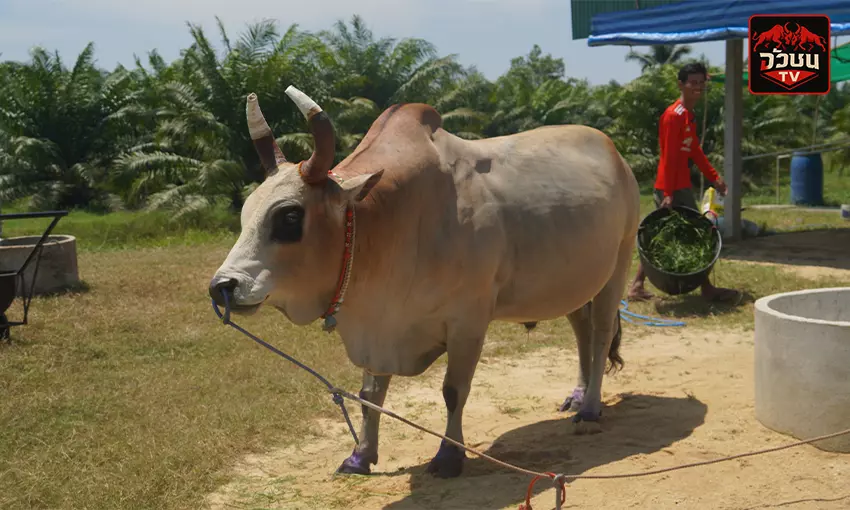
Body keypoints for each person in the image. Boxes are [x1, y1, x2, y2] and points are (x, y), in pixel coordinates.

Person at [628, 62, 740, 303]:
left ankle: (638, 285)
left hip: (680, 185)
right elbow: (668, 155)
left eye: (701, 83)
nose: (698, 87)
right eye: (693, 83)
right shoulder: (673, 116)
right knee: (684, 234)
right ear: (681, 85)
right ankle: (704, 288)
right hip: (670, 187)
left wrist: (715, 178)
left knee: (677, 234)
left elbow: (694, 151)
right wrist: (667, 193)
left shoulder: (689, 116)